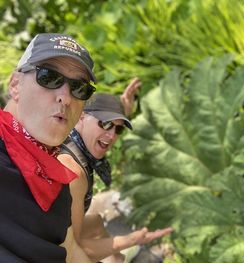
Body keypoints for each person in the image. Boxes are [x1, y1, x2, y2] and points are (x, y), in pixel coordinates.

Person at [0, 33, 96, 262]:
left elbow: (70, 250)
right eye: (49, 77)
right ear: (16, 85)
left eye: (79, 88)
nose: (66, 97)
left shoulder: (55, 180)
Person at [58, 87, 173, 262]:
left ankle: (116, 259)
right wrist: (132, 239)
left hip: (50, 230)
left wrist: (121, 109)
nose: (112, 135)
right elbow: (71, 251)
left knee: (96, 221)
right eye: (105, 123)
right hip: (45, 250)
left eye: (118, 129)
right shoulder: (75, 172)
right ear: (81, 117)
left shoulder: (64, 132)